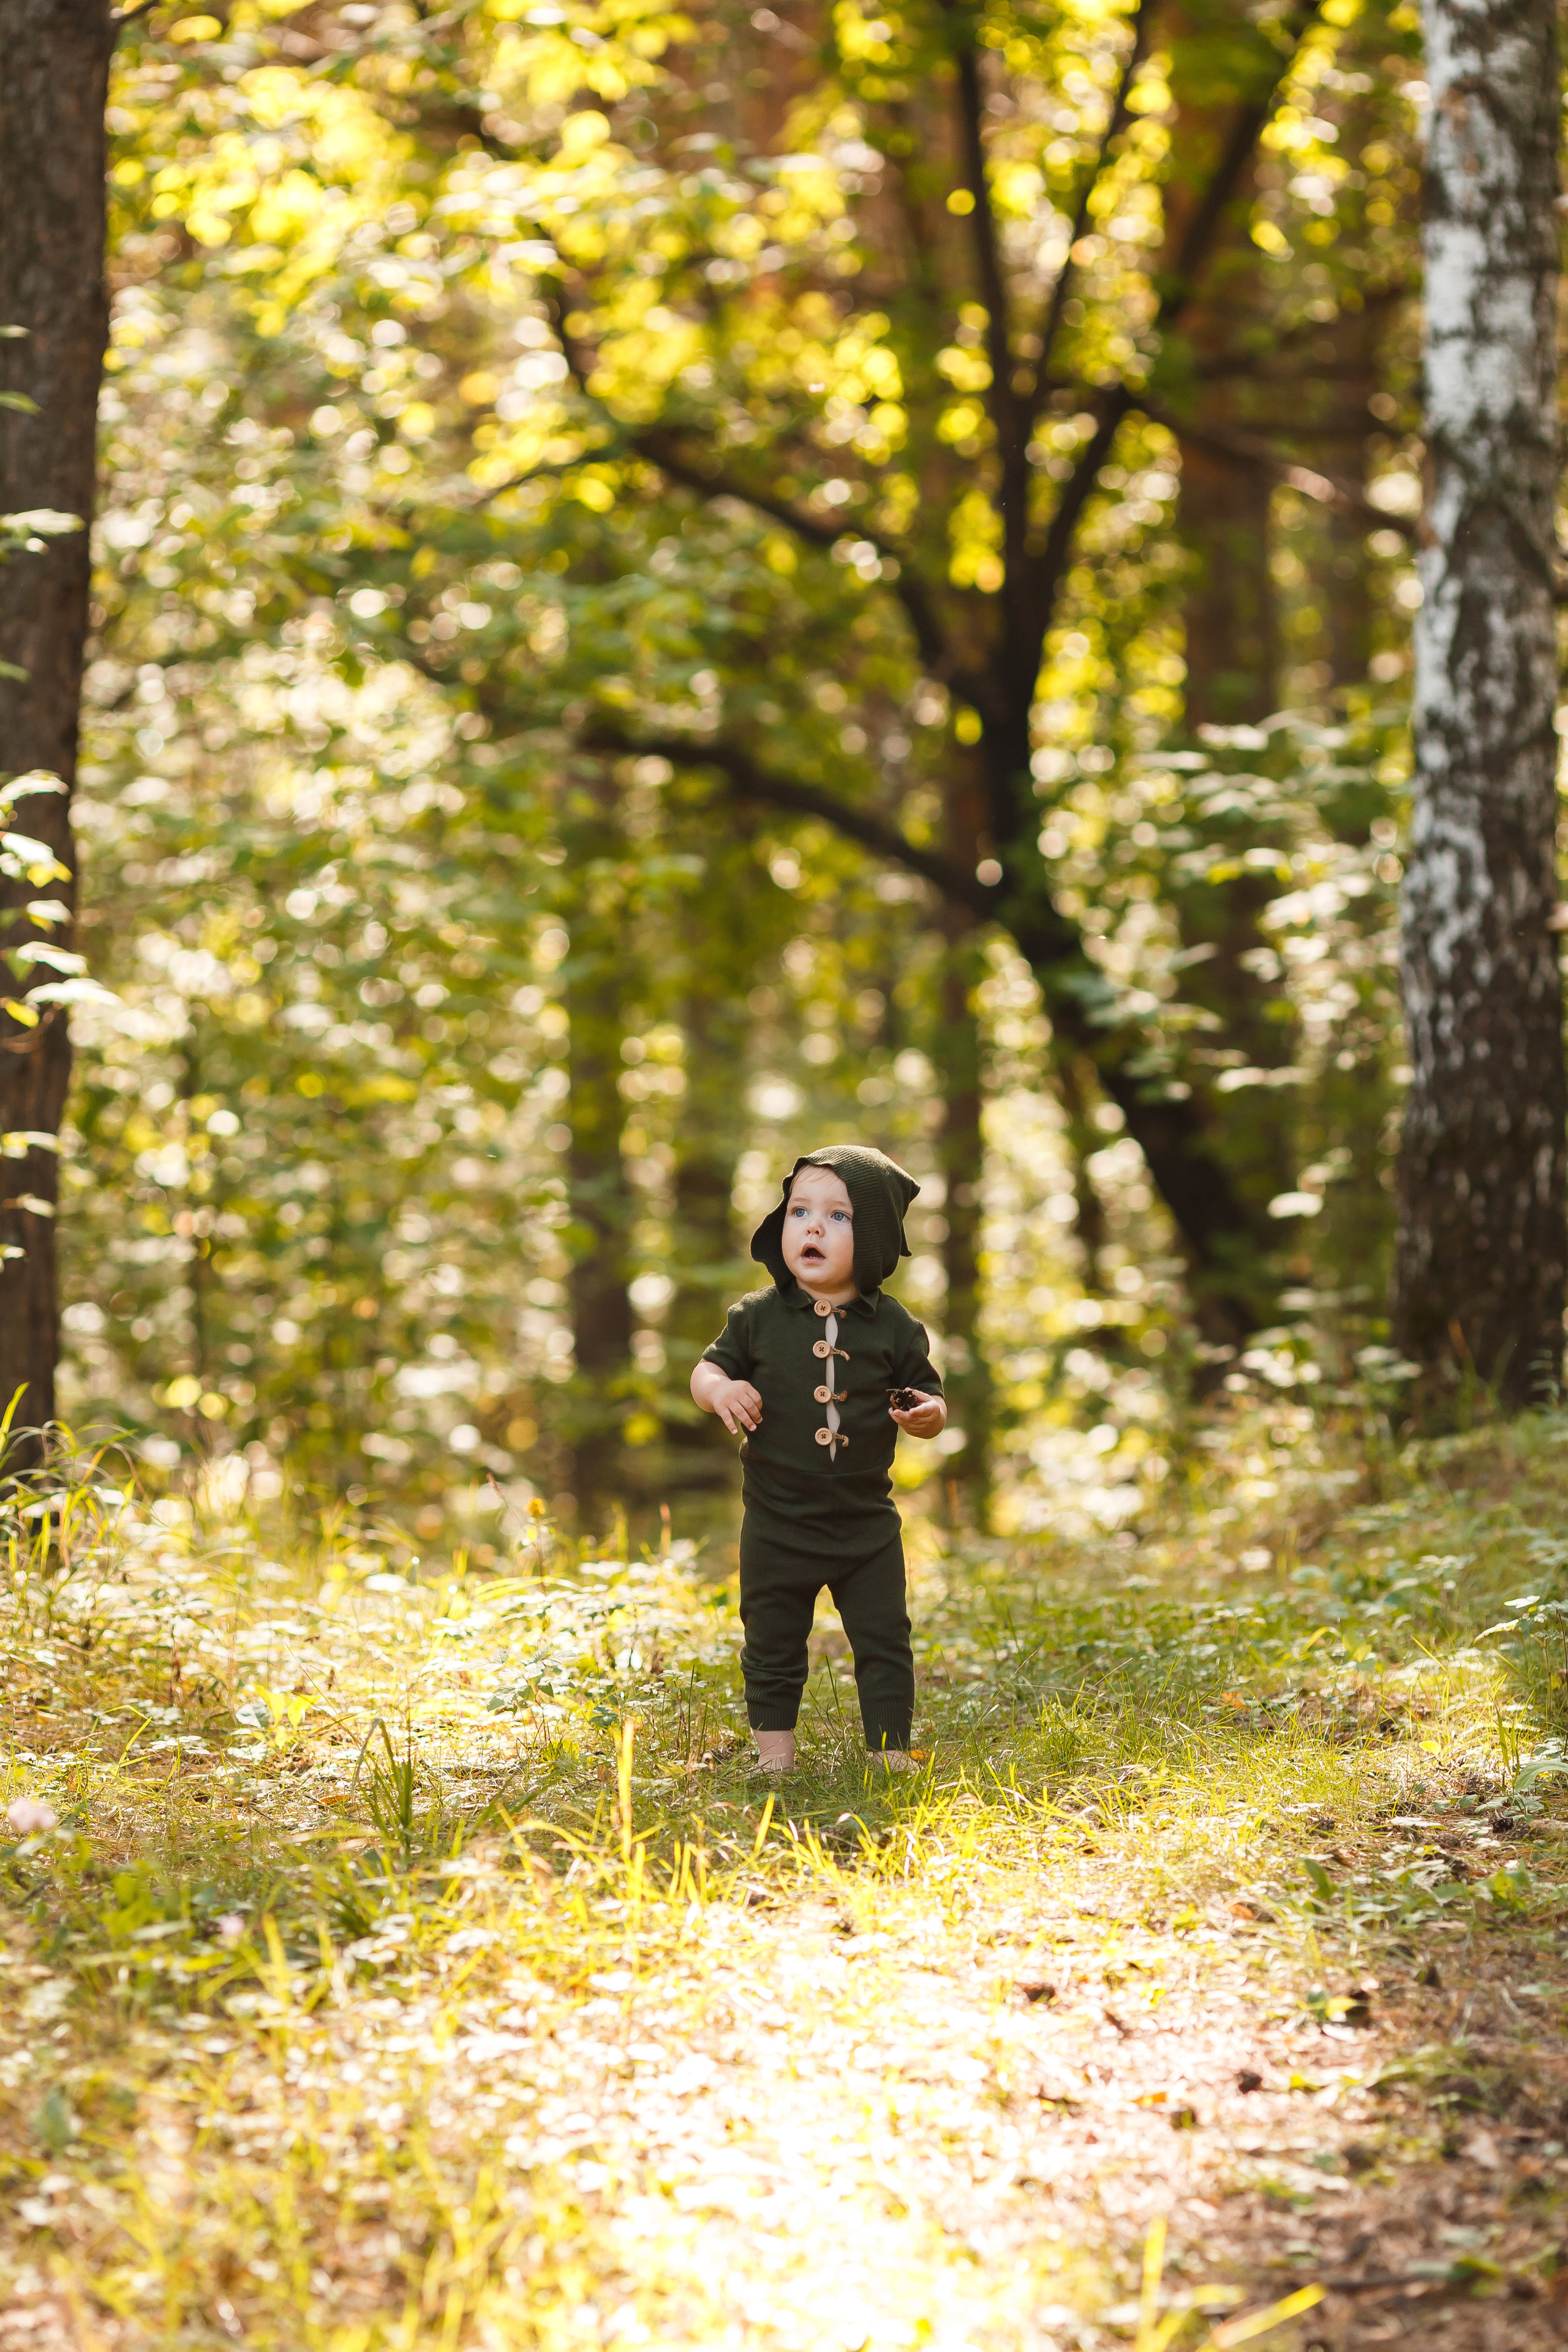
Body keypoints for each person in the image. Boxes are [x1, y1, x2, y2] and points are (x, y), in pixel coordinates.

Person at [689, 1144, 946, 1774]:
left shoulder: (895, 1328)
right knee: (772, 1640)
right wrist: (721, 1389)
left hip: (865, 1526)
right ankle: (774, 1758)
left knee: (884, 1639)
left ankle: (890, 1751)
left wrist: (926, 1415)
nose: (810, 1225)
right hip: (778, 1523)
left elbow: (930, 1397)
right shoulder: (755, 1318)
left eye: (838, 1216)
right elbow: (705, 1370)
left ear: (877, 1238)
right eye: (799, 1210)